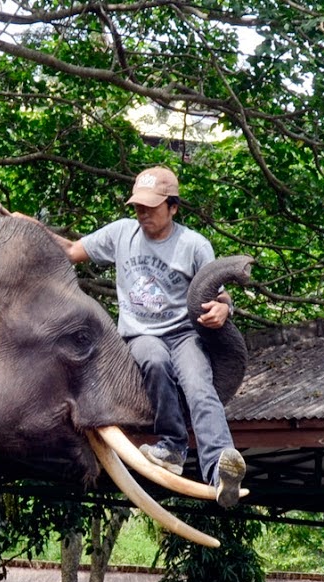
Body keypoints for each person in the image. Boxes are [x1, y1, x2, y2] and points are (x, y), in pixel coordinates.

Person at [55, 165, 246, 506]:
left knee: (200, 386)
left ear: (173, 207)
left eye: (151, 207)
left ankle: (221, 472)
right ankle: (172, 446)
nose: (142, 213)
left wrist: (224, 309)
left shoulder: (194, 246)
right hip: (141, 335)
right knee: (155, 361)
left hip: (185, 333)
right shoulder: (121, 234)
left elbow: (218, 294)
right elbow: (71, 250)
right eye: (138, 207)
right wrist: (21, 223)